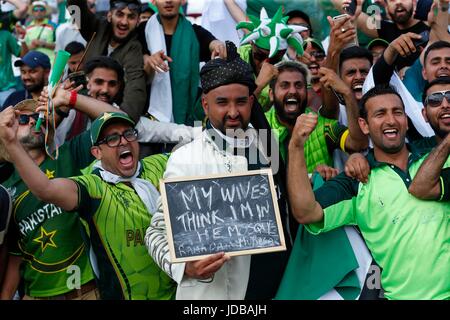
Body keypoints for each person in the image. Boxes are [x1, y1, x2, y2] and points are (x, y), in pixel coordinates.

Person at [145, 42, 293, 300]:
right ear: (205, 105)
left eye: (241, 102)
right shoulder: (186, 159)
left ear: (251, 101)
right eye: (222, 102)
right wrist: (185, 267)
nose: (233, 112)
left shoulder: (268, 145)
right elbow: (156, 232)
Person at [287, 85, 449, 299]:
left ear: (406, 121)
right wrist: (296, 147)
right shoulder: (356, 181)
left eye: (397, 112)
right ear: (363, 125)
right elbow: (306, 212)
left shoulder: (437, 155)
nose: (391, 120)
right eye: (380, 114)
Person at [0, 108, 177, 300]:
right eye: (112, 139)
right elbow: (45, 190)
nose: (123, 141)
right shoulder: (93, 186)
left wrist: (71, 99)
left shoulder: (160, 164)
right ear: (96, 152)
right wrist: (10, 142)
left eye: (128, 134)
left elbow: (195, 159)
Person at [0, 99, 110, 300]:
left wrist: (71, 98)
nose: (34, 121)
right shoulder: (5, 189)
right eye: (23, 119)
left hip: (85, 291)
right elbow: (16, 253)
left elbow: (114, 121)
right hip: (37, 295)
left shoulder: (69, 154)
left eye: (36, 116)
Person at [266, 60, 368, 178]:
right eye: (285, 85)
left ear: (307, 92)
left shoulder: (323, 127)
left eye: (299, 85)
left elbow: (358, 144)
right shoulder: (261, 126)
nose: (293, 91)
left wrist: (347, 94)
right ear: (271, 94)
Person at [143, 0, 226, 125]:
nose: (168, 1)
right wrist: (149, 60)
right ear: (153, 1)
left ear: (183, 1)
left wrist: (219, 46)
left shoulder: (194, 33)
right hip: (148, 119)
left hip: (187, 120)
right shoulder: (142, 31)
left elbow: (213, 43)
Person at [66, 0, 147, 122]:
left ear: (137, 21)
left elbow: (136, 85)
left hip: (109, 114)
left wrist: (123, 120)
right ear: (109, 15)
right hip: (78, 107)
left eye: (131, 17)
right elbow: (74, 7)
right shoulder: (94, 28)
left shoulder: (134, 47)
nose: (124, 22)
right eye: (119, 14)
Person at [236, 7, 307, 111]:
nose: (264, 64)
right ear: (251, 43)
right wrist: (259, 85)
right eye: (259, 56)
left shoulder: (285, 71)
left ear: (283, 53)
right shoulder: (235, 59)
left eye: (273, 60)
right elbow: (235, 112)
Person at [343, 0, 430, 69]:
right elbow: (355, 16)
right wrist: (353, 13)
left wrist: (412, 70)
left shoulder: (430, 30)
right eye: (392, 0)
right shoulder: (384, 29)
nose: (398, 2)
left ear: (414, 3)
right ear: (386, 7)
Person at [0, 28, 23, 106]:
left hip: (6, 88)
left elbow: (21, 53)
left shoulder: (5, 35)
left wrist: (23, 39)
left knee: (11, 116)